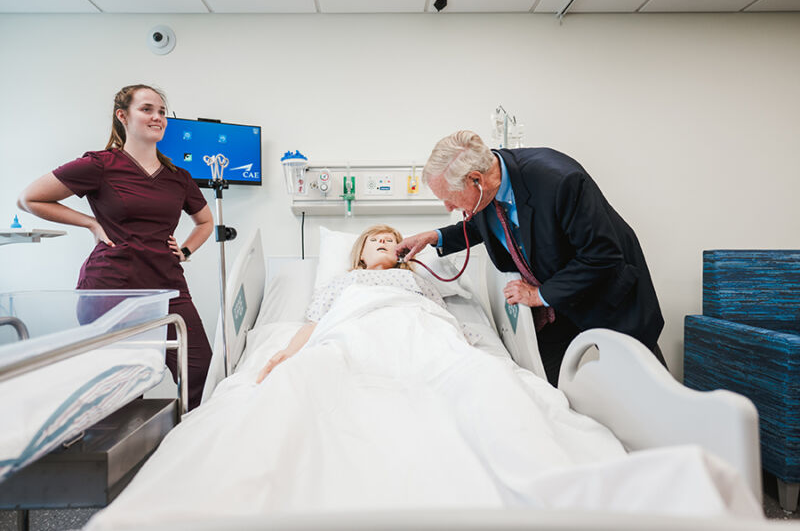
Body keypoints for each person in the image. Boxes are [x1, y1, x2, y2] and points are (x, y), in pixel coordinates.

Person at [396, 130, 666, 386]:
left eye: (450, 198)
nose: (449, 207)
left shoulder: (559, 180)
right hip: (558, 301)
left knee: (644, 384)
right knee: (546, 389)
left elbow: (602, 256)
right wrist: (434, 237)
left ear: (475, 180)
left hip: (607, 292)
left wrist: (539, 295)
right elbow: (483, 224)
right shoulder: (487, 189)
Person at [17, 84, 214, 410]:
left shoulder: (178, 177)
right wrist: (91, 223)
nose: (157, 117)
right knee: (125, 389)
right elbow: (30, 198)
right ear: (123, 116)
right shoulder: (101, 165)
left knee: (201, 373)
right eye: (147, 109)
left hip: (168, 286)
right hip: (112, 287)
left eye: (162, 112)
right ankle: (132, 458)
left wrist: (187, 250)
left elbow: (205, 222)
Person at [256, 224, 443, 383]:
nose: (382, 242)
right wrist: (288, 352)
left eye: (389, 240)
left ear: (401, 253)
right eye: (374, 240)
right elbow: (316, 323)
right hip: (355, 335)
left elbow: (440, 317)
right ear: (361, 254)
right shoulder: (347, 280)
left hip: (407, 334)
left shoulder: (413, 279)